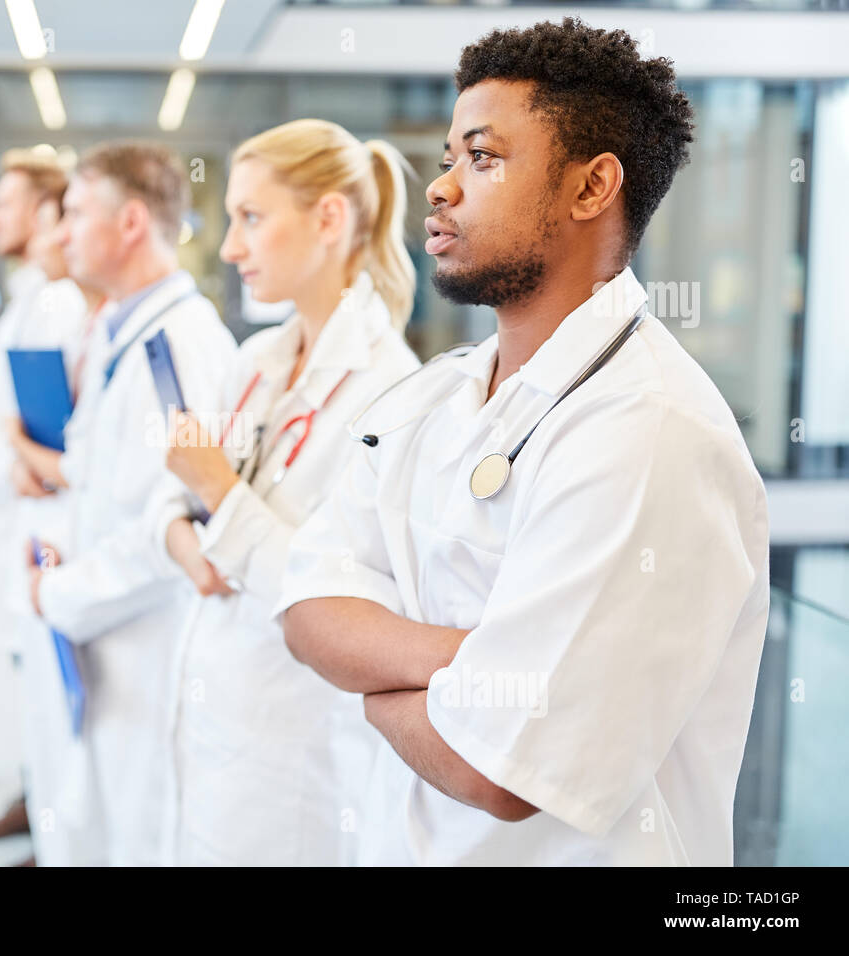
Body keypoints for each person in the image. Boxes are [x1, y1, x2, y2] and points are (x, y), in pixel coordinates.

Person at [278, 17, 769, 865]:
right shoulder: (431, 398)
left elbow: (500, 770)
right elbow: (304, 609)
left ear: (591, 188)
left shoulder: (651, 431)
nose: (440, 188)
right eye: (447, 159)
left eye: (483, 158)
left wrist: (374, 684)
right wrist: (463, 662)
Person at [150, 119, 420, 865]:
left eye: (252, 218)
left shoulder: (389, 389)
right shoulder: (257, 360)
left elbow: (340, 607)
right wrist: (187, 538)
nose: (231, 245)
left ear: (329, 219)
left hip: (296, 751)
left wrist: (218, 498)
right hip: (221, 714)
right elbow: (173, 500)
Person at [17, 141, 237, 865]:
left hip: (145, 651)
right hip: (103, 643)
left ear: (132, 222)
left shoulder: (178, 347)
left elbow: (167, 534)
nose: (60, 234)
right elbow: (103, 481)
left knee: (138, 836)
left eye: (76, 213)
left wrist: (59, 591)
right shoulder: (124, 335)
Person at [0, 150, 86, 843]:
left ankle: (52, 825)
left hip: (36, 514)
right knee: (27, 685)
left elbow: (50, 445)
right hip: (14, 511)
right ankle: (38, 807)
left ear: (41, 213)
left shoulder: (57, 303)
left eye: (3, 202)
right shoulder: (27, 299)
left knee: (47, 691)